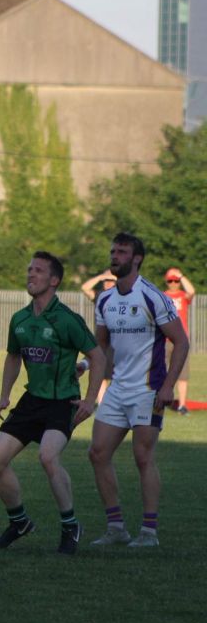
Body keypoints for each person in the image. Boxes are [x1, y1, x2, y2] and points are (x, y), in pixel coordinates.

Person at [0, 252, 106, 555]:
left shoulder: (67, 320)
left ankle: (70, 525)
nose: (30, 274)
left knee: (48, 457)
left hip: (61, 402)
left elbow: (98, 356)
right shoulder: (20, 319)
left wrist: (90, 401)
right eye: (29, 269)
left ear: (54, 280)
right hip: (31, 401)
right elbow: (13, 357)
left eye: (38, 271)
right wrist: (3, 395)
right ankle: (20, 522)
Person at [87, 233, 189, 548]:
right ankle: (116, 527)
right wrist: (85, 370)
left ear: (137, 258)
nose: (114, 256)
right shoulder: (104, 299)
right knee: (97, 453)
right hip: (117, 390)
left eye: (122, 252)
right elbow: (101, 348)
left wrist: (168, 385)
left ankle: (149, 532)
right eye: (113, 251)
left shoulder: (152, 296)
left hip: (148, 389)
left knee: (143, 456)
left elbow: (182, 342)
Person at [81, 269, 118, 401]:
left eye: (111, 280)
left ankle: (114, 402)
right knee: (101, 371)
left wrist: (115, 277)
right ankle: (101, 402)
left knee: (116, 374)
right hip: (102, 340)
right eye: (105, 281)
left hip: (118, 340)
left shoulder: (122, 295)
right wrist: (101, 276)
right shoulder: (99, 295)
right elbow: (85, 287)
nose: (108, 283)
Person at [162, 268, 195, 415]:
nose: (174, 283)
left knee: (182, 373)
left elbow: (192, 291)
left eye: (176, 280)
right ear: (167, 282)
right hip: (164, 340)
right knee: (162, 372)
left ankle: (182, 405)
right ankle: (160, 401)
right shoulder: (162, 296)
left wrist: (181, 275)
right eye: (171, 280)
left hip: (180, 341)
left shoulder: (183, 296)